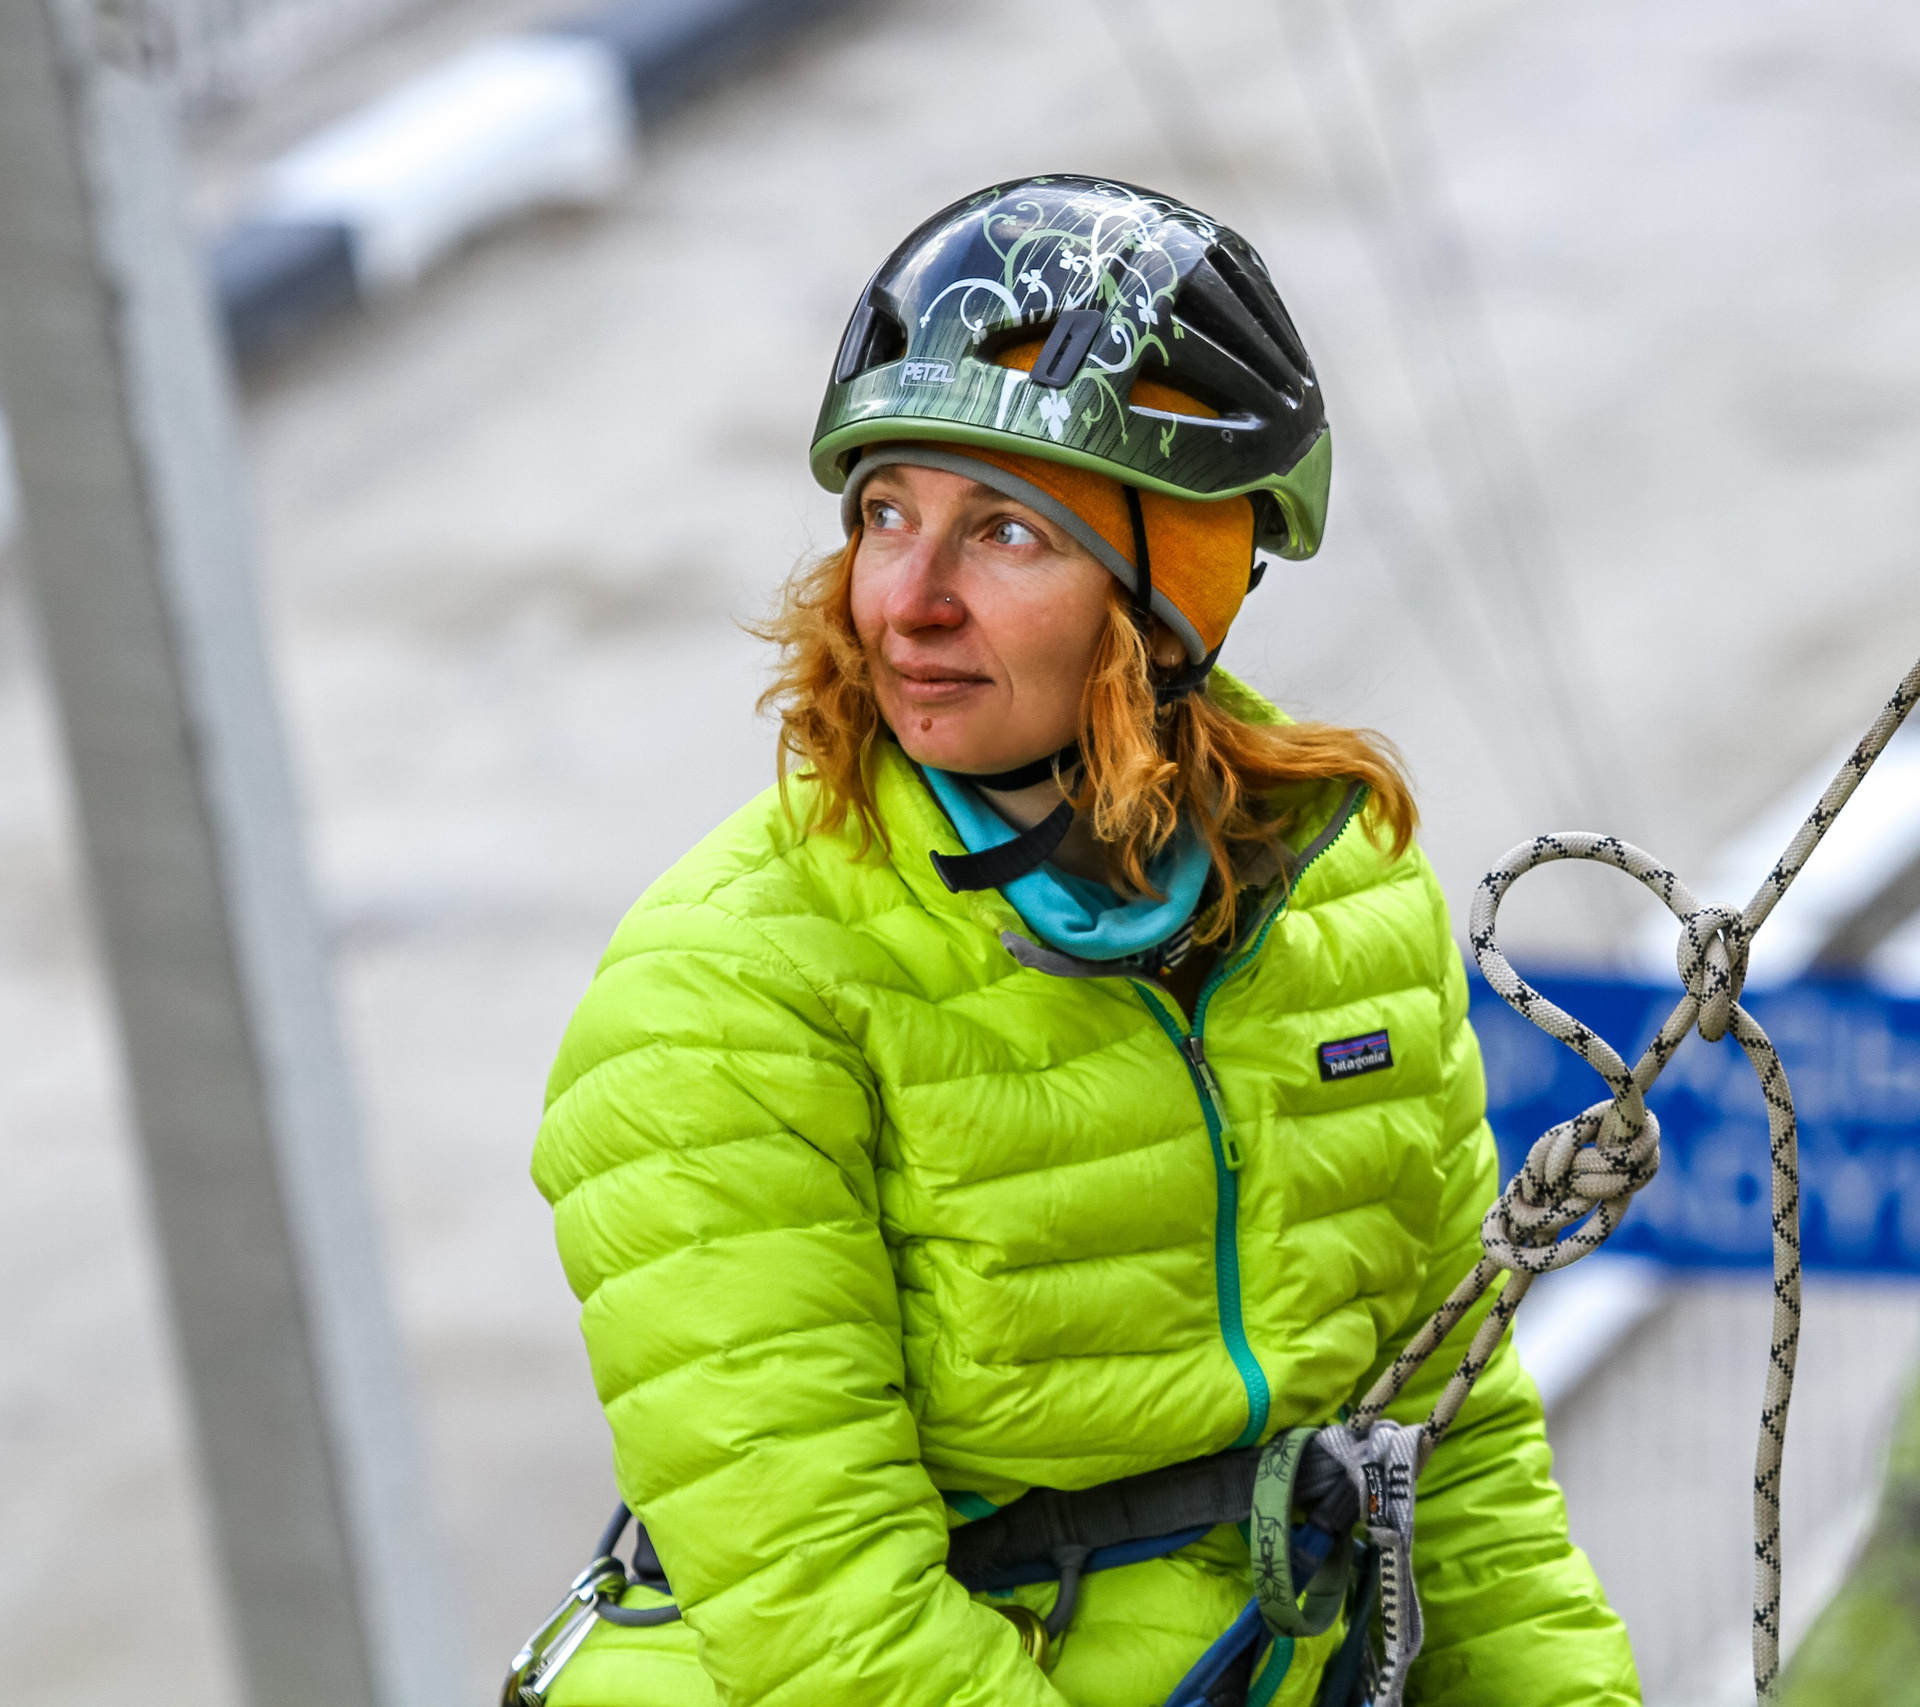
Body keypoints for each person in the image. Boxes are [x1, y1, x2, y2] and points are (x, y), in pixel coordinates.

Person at [531, 175, 1639, 1707]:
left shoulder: (1353, 910)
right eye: (883, 515)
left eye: (1004, 531)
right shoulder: (726, 993)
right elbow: (826, 1609)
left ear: (1173, 585)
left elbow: (1454, 1453)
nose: (904, 602)